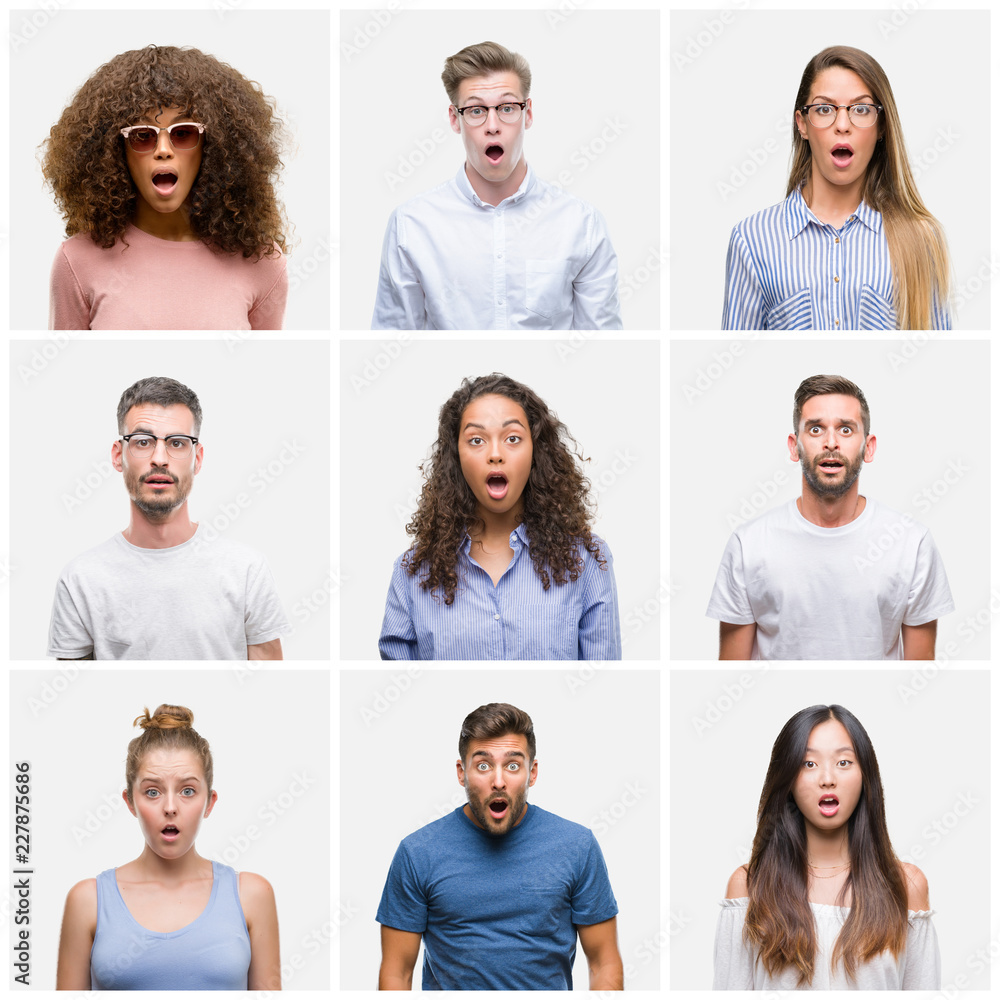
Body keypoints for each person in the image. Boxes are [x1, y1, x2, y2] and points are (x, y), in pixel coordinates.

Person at [372, 41, 622, 330]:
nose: (493, 125)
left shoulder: (582, 224)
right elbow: (395, 342)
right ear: (455, 119)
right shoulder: (411, 224)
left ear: (527, 113)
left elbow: (601, 342)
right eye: (477, 110)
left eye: (506, 107)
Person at [377, 703, 623, 990]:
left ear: (532, 773)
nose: (498, 781)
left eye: (513, 765)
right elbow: (397, 973)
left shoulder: (578, 846)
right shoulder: (417, 852)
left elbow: (603, 963)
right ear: (461, 772)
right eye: (483, 765)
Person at [706, 374, 953, 659]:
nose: (831, 442)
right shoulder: (748, 543)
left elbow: (918, 673)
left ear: (868, 447)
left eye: (846, 430)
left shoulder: (912, 542)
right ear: (794, 446)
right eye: (815, 430)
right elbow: (732, 672)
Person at [42, 45, 288, 330]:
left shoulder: (262, 262)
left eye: (183, 133)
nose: (163, 150)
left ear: (215, 146)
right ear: (114, 150)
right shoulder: (76, 261)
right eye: (142, 135)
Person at [378, 373, 621, 660]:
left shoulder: (587, 561)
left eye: (513, 438)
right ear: (456, 456)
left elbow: (601, 679)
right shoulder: (412, 572)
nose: (495, 454)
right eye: (477, 440)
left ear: (536, 452)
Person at [47, 377, 290, 660]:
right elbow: (76, 700)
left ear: (197, 458)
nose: (159, 458)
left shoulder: (247, 569)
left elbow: (271, 692)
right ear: (118, 456)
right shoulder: (81, 579)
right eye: (142, 442)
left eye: (177, 443)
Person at [722, 46, 951, 330]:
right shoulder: (752, 239)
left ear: (881, 127)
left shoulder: (922, 238)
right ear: (802, 124)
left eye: (861, 109)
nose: (842, 125)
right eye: (824, 109)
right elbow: (738, 355)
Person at [714, 704, 939, 989]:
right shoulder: (749, 885)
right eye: (809, 763)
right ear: (788, 778)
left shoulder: (906, 885)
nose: (828, 779)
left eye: (844, 762)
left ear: (865, 776)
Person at [55, 704, 280, 990]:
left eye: (188, 791)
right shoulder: (88, 900)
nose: (170, 808)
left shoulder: (251, 895)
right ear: (130, 802)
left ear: (209, 803)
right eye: (152, 792)